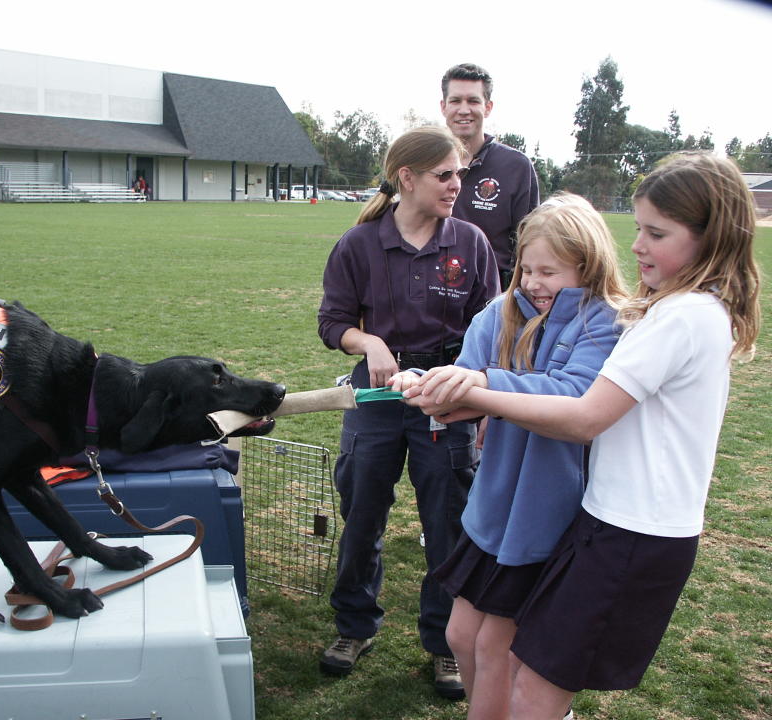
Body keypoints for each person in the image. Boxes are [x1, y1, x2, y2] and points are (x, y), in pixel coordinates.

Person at [399, 152, 761, 719]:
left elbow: (583, 411)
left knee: (526, 681)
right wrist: (443, 393)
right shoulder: (666, 312)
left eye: (655, 232)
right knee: (503, 663)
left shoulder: (671, 317)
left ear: (709, 235)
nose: (637, 244)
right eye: (638, 228)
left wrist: (478, 389)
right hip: (597, 520)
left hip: (621, 530)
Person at [391, 194, 627, 720]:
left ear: (587, 265)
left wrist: (481, 384)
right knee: (460, 634)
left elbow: (574, 394)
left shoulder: (602, 322)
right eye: (527, 268)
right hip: (494, 508)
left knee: (495, 647)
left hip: (548, 518)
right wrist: (432, 386)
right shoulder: (499, 314)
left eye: (551, 271)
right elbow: (467, 374)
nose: (534, 283)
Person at [316, 125, 500, 699]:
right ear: (407, 178)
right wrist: (368, 343)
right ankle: (354, 625)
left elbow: (490, 328)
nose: (456, 185)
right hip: (376, 397)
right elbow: (332, 323)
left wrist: (469, 394)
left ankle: (445, 643)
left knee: (448, 520)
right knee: (362, 510)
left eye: (460, 174)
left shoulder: (470, 242)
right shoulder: (359, 244)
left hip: (448, 394)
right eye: (444, 175)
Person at [442, 63, 540, 289]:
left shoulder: (516, 167)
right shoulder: (423, 163)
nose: (464, 110)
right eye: (455, 101)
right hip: (432, 296)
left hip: (491, 301)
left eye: (473, 101)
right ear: (443, 106)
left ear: (487, 107)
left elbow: (530, 245)